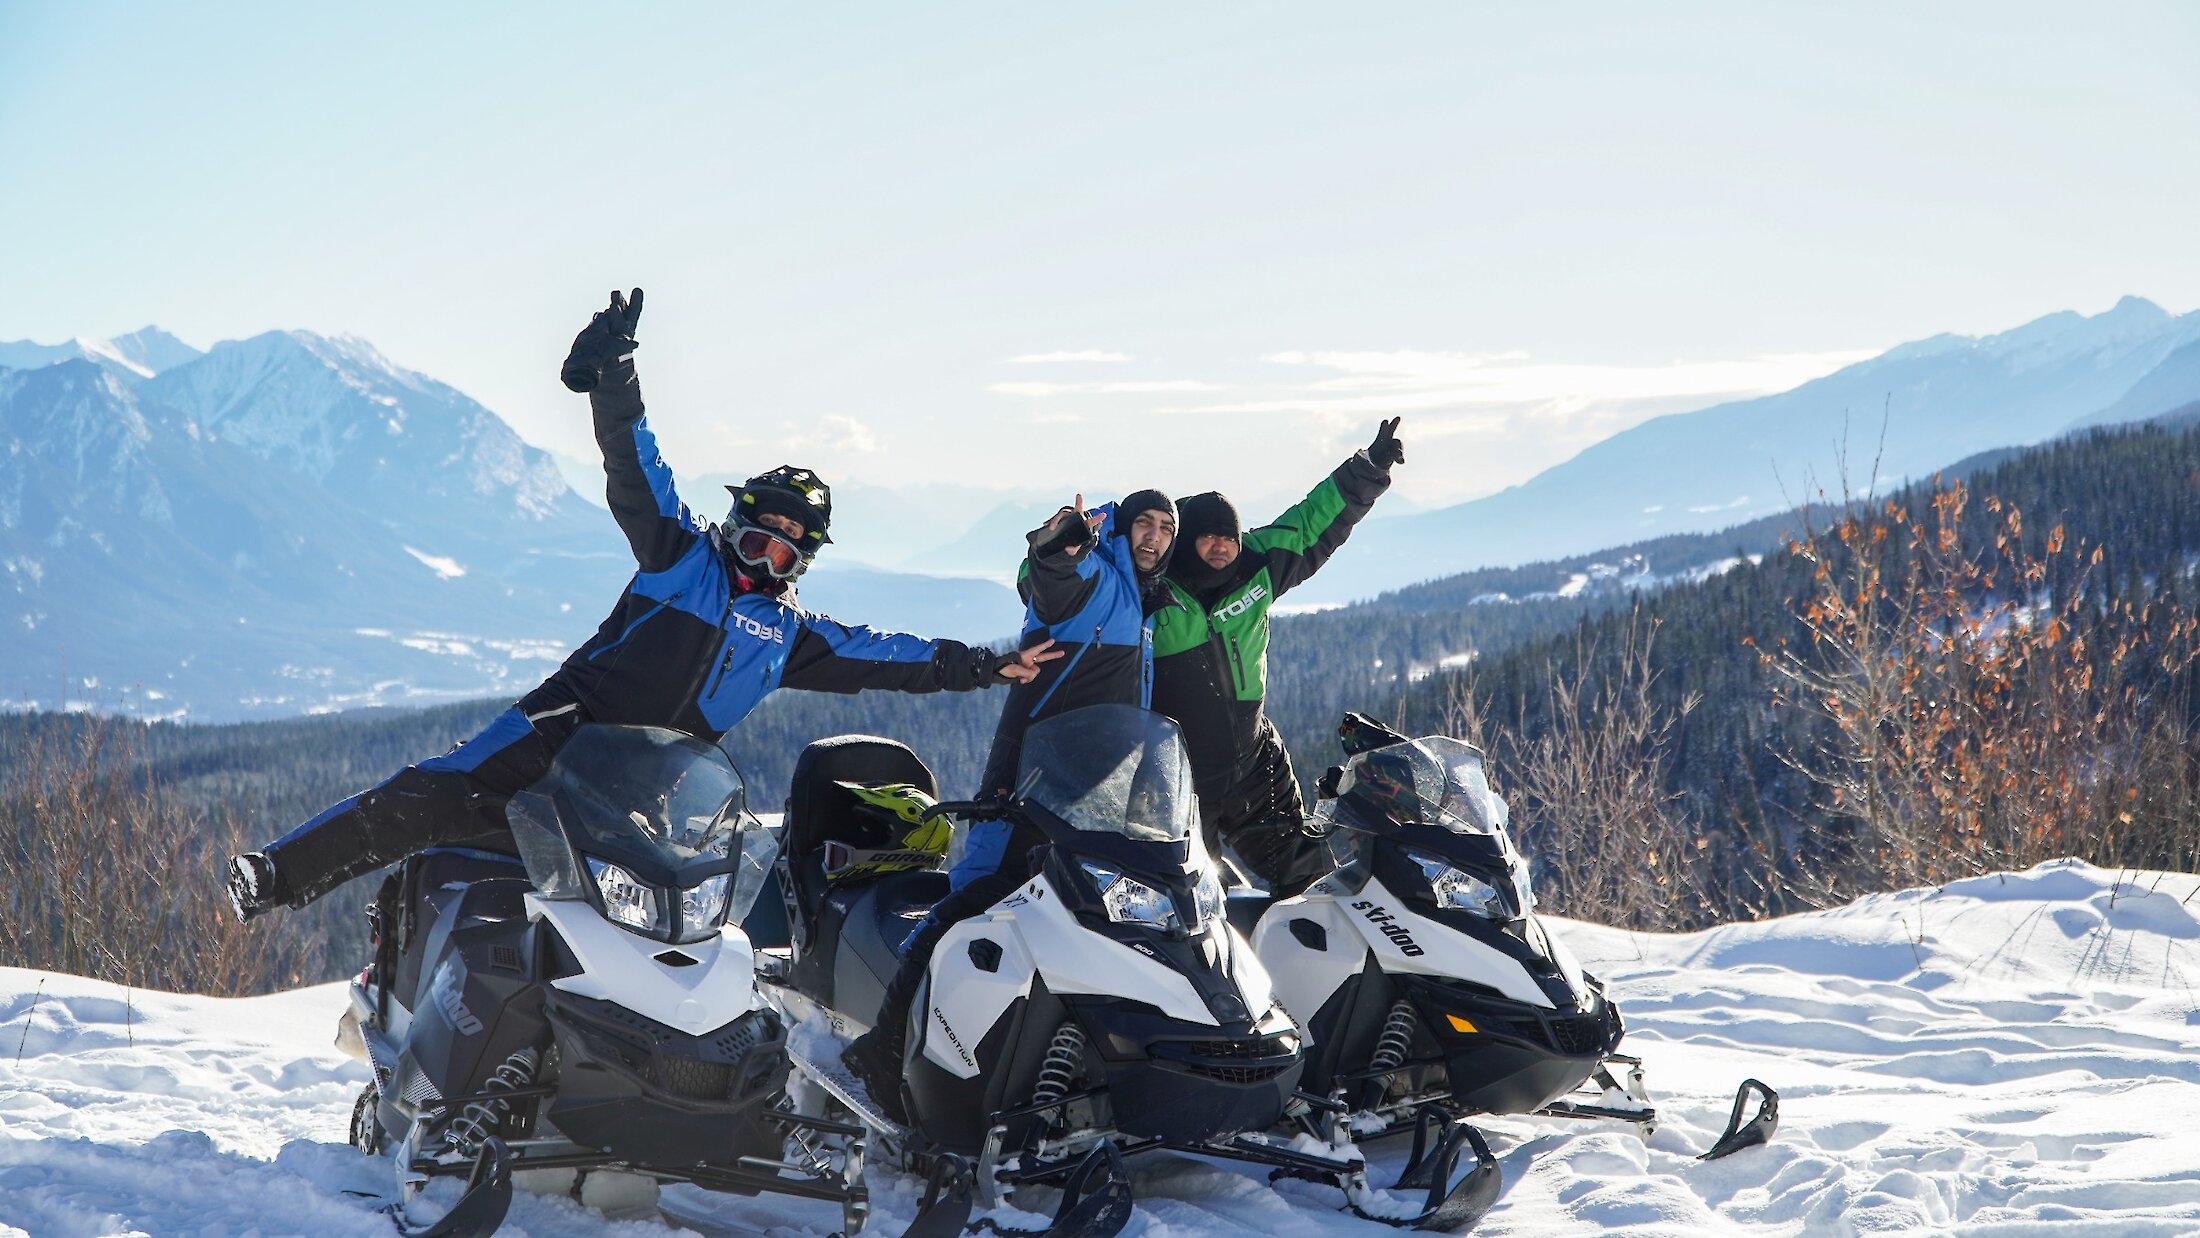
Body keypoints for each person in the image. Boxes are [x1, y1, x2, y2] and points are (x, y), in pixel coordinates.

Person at [225, 288, 1057, 921]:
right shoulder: (678, 556)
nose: (763, 557)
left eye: (784, 549)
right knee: (432, 791)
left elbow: (896, 656)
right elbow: (638, 465)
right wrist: (614, 375)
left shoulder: (790, 637)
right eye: (754, 536)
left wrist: (989, 665)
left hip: (656, 783)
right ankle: (276, 875)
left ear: (801, 562)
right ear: (729, 527)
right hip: (561, 726)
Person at [844, 488, 1176, 1116]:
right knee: (978, 896)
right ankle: (884, 1048)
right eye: (1143, 524)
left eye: (1165, 528)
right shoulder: (1099, 581)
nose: (1154, 536)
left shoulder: (1142, 601)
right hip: (1028, 773)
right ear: (1120, 531)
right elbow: (1055, 576)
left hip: (1089, 791)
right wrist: (1061, 542)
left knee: (1073, 915)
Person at [1150, 417, 1404, 899]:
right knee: (1186, 899)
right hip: (1177, 774)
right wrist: (1055, 555)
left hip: (1251, 759)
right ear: (1186, 540)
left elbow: (1313, 520)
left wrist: (1368, 468)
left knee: (1307, 881)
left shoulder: (1259, 566)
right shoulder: (1153, 585)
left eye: (1229, 536)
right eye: (1208, 537)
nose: (1221, 546)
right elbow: (1070, 588)